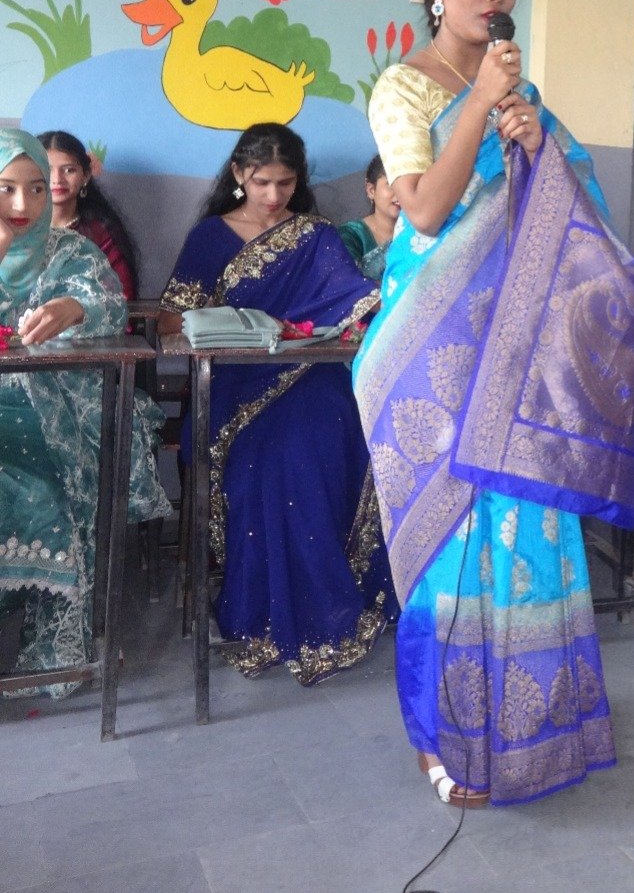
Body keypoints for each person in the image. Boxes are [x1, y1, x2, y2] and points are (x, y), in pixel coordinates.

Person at [354, 0, 634, 809]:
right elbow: (426, 212)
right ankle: (437, 738)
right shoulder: (403, 88)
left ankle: (525, 728)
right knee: (447, 556)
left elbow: (569, 220)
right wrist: (483, 103)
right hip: (429, 356)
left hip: (517, 358)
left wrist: (532, 145)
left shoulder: (522, 94)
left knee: (525, 536)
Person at [159, 123, 395, 683]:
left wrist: (354, 324)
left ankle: (327, 600)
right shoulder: (210, 237)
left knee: (320, 440)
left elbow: (357, 307)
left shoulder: (315, 236)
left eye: (284, 184)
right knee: (270, 460)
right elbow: (170, 320)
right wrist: (221, 327)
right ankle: (278, 608)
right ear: (238, 174)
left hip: (314, 376)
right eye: (261, 182)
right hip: (234, 387)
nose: (272, 195)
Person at [0, 129, 166, 687]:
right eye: (6, 188)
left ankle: (57, 641)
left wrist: (74, 307)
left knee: (56, 481)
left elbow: (107, 301)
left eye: (36, 188)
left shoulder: (70, 250)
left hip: (51, 405)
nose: (24, 204)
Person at [37, 130, 139, 300]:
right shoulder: (18, 231)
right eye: (46, 170)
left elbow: (121, 297)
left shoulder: (101, 235)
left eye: (69, 170)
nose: (57, 179)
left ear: (85, 175)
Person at [337, 154, 399, 282]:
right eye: (391, 183)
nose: (401, 192)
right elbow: (349, 284)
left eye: (411, 184)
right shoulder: (350, 235)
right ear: (371, 190)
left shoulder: (424, 231)